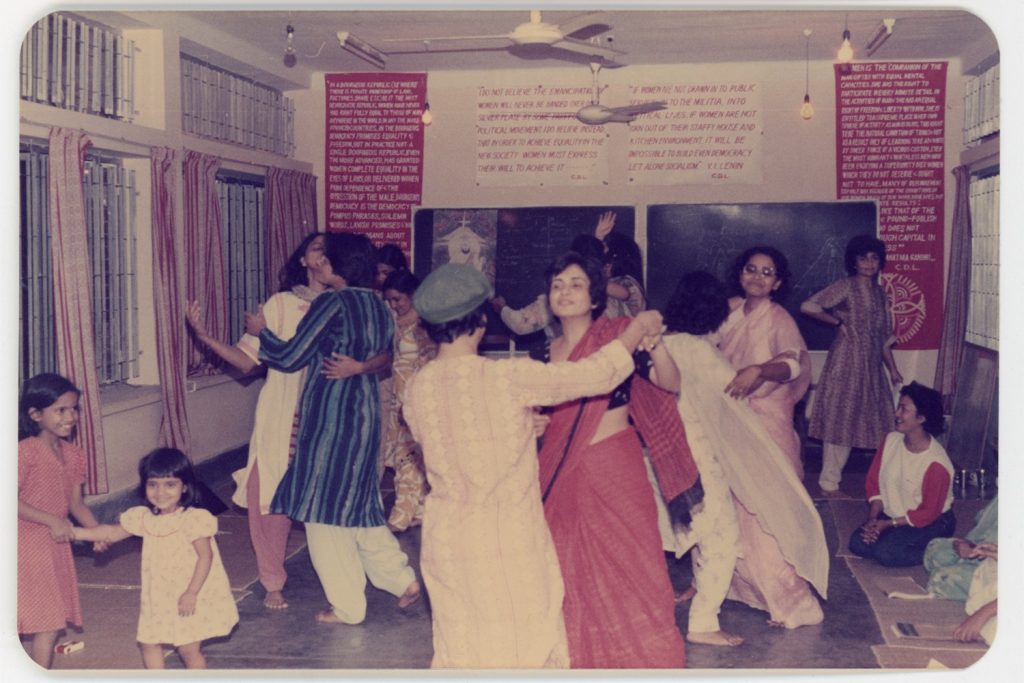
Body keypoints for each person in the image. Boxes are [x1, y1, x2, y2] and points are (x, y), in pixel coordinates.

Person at [402, 262, 667, 668]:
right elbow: (597, 375)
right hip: (506, 538)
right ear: (481, 321)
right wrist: (637, 326)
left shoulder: (417, 387)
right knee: (523, 643)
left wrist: (523, 426)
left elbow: (457, 443)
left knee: (463, 644)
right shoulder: (509, 377)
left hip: (447, 540)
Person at [244, 231, 420, 626]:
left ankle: (347, 606)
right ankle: (401, 579)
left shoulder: (330, 302)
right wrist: (361, 367)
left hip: (332, 420)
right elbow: (387, 357)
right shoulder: (379, 305)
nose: (321, 263)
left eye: (327, 258)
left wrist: (261, 332)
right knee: (359, 505)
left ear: (339, 266)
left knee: (323, 513)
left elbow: (290, 357)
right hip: (366, 418)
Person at [535, 252, 696, 668]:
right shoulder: (542, 354)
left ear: (594, 298)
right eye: (557, 285)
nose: (564, 292)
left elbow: (670, 382)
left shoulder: (618, 338)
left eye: (575, 284)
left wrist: (657, 346)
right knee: (566, 565)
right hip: (560, 473)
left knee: (634, 564)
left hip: (614, 468)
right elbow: (538, 415)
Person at [661, 272, 831, 646]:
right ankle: (704, 624)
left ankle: (702, 604)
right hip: (702, 459)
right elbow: (734, 401)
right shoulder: (702, 352)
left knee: (701, 534)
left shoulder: (661, 346)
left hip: (667, 457)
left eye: (767, 272)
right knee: (723, 537)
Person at [185, 232, 327, 610]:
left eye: (330, 251)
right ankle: (272, 581)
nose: (324, 255)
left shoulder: (346, 303)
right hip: (281, 415)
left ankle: (345, 578)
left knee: (326, 503)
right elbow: (246, 361)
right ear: (302, 260)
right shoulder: (280, 305)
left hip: (327, 415)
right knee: (269, 499)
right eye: (317, 248)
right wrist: (204, 337)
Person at [718, 245, 824, 628]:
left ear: (777, 283)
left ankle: (789, 600)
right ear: (740, 273)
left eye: (767, 273)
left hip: (767, 425)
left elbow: (793, 364)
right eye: (751, 269)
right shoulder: (729, 312)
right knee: (726, 507)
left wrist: (760, 370)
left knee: (765, 511)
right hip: (729, 422)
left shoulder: (779, 318)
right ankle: (730, 586)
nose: (757, 277)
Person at [72, 448, 239, 669]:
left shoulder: (193, 520)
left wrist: (191, 592)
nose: (160, 492)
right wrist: (74, 532)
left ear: (184, 487)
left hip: (188, 592)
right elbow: (110, 532)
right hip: (158, 595)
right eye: (153, 484)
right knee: (149, 642)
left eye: (170, 485)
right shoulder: (144, 518)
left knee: (188, 649)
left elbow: (205, 557)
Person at [801, 234, 903, 495]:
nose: (869, 263)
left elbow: (883, 338)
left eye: (874, 258)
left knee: (883, 421)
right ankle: (828, 482)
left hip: (871, 366)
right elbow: (809, 306)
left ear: (880, 262)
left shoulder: (880, 293)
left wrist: (893, 370)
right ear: (854, 262)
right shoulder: (845, 286)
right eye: (863, 258)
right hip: (846, 362)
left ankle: (885, 484)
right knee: (842, 419)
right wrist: (838, 322)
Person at [18, 373, 107, 668]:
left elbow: (75, 504)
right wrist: (50, 520)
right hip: (25, 543)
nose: (71, 417)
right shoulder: (24, 452)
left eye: (74, 409)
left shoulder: (73, 454)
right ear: (35, 414)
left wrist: (96, 532)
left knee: (48, 620)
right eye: (61, 410)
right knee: (45, 620)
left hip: (55, 543)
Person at [849, 382, 956, 567]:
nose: (897, 414)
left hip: (932, 521)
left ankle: (944, 550)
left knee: (886, 553)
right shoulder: (890, 440)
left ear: (921, 418)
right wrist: (872, 520)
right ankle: (892, 538)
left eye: (903, 409)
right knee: (858, 543)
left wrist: (887, 525)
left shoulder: (936, 463)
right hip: (894, 516)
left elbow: (929, 512)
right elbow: (875, 483)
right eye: (898, 407)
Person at [379, 268, 435, 532]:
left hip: (415, 399)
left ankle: (400, 515)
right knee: (406, 456)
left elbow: (430, 361)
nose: (394, 305)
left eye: (398, 299)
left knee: (409, 456)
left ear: (412, 295)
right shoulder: (393, 322)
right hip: (396, 398)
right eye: (389, 300)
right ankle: (420, 510)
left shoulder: (425, 323)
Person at [924, 494, 998, 600]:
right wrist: (961, 545)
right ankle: (966, 574)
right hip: (980, 551)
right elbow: (980, 528)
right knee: (935, 549)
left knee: (941, 578)